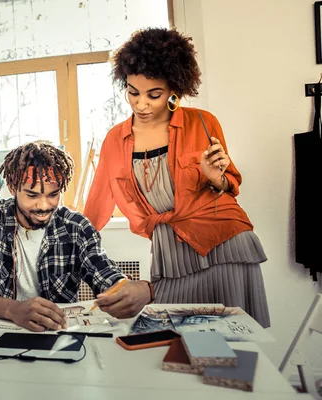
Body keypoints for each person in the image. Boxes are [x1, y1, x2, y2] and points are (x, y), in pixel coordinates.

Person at [83, 27, 270, 328]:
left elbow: (229, 186)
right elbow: (96, 204)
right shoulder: (115, 139)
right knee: (178, 343)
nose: (141, 104)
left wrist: (215, 177)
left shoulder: (203, 123)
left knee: (234, 346)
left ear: (174, 90)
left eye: (153, 94)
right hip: (170, 252)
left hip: (225, 244)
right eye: (133, 92)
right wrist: (70, 245)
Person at [0, 140, 154, 331]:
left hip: (57, 335)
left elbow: (105, 275)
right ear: (12, 188)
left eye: (53, 194)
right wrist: (13, 310)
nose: (44, 206)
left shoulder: (76, 226)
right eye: (32, 195)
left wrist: (135, 290)